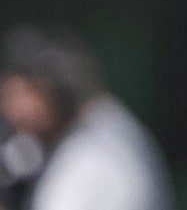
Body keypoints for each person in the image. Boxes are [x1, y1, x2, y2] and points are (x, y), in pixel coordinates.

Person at [0, 26, 173, 210]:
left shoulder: (93, 156)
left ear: (54, 90)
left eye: (18, 94)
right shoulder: (111, 125)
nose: (11, 110)